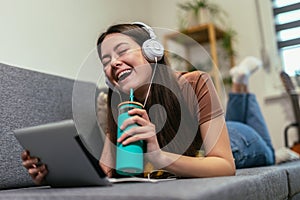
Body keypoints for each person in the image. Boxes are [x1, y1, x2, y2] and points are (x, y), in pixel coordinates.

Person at [21, 22, 275, 184]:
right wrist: (52, 173)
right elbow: (105, 173)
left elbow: (224, 165)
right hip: (211, 136)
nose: (113, 63)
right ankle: (241, 83)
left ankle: (241, 83)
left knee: (270, 151)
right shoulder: (120, 104)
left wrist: (159, 157)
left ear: (151, 51)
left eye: (121, 51)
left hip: (241, 142)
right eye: (106, 60)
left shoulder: (195, 82)